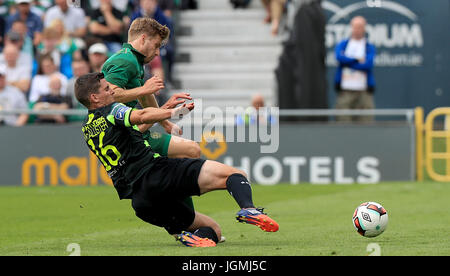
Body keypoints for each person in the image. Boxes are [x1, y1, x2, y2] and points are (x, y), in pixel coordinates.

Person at [74, 72, 279, 247]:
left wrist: (163, 109)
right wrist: (173, 112)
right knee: (235, 174)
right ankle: (248, 209)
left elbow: (133, 132)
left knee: (213, 231)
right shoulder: (112, 110)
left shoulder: (87, 127)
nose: (112, 90)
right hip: (156, 173)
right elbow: (142, 115)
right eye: (106, 88)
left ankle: (187, 236)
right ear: (94, 97)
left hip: (141, 201)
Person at [334, 16, 376, 122]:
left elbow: (367, 65)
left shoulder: (369, 47)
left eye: (360, 27)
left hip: (363, 91)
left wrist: (348, 62)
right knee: (343, 121)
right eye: (355, 27)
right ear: (351, 27)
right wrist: (357, 60)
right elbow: (340, 58)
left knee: (366, 122)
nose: (358, 29)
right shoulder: (343, 44)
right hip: (346, 90)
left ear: (364, 28)